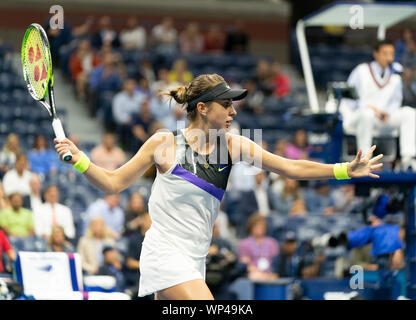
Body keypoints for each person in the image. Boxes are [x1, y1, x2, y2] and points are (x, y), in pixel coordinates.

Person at [54, 73, 383, 299]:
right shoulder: (163, 143)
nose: (232, 110)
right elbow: (112, 183)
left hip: (195, 258)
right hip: (164, 253)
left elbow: (291, 168)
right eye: (226, 104)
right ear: (202, 108)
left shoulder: (234, 145)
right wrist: (81, 159)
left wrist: (344, 170)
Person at [340, 39, 416, 171]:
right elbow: (349, 99)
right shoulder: (361, 71)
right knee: (367, 115)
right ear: (376, 54)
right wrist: (369, 107)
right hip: (360, 117)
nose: (389, 57)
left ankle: (408, 159)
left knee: (409, 113)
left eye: (391, 54)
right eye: (385, 53)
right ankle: (364, 160)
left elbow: (396, 101)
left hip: (382, 118)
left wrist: (388, 112)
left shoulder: (395, 75)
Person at [238, 213, 279, 281]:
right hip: (254, 274)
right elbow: (245, 265)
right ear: (251, 227)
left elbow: (276, 262)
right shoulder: (245, 244)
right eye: (256, 226)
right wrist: (260, 273)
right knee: (255, 276)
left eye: (261, 226)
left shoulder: (272, 242)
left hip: (269, 273)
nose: (259, 229)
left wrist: (272, 274)